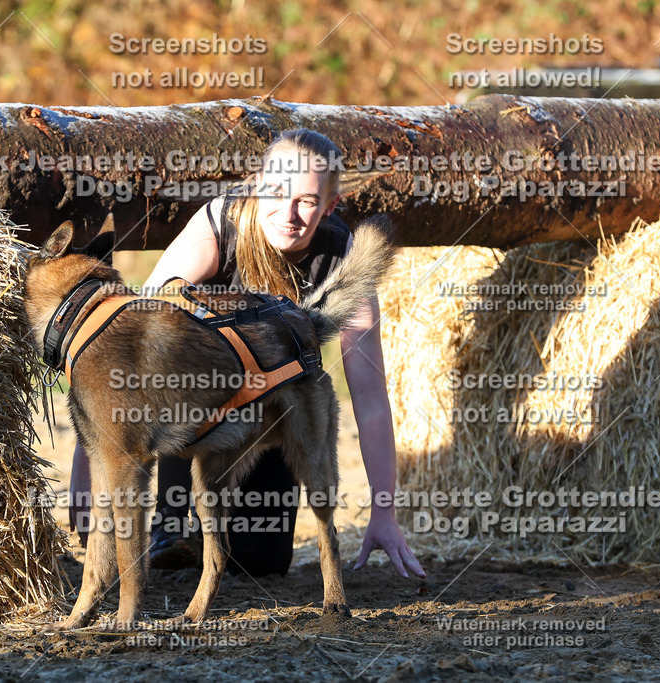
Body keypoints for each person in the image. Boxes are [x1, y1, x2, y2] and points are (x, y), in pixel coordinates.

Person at [68, 129, 425, 581]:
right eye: (276, 193)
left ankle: (222, 540)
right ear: (256, 184)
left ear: (330, 206)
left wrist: (384, 515)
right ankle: (174, 524)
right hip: (194, 402)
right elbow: (124, 352)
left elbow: (370, 398)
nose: (289, 214)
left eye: (308, 201)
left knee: (260, 563)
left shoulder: (344, 258)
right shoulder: (220, 224)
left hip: (270, 411)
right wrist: (86, 473)